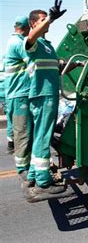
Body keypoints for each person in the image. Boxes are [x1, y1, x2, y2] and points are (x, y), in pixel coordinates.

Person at [24, 0, 67, 197]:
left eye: (46, 20)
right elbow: (31, 37)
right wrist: (50, 18)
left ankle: (34, 174)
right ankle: (43, 182)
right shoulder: (32, 42)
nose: (46, 24)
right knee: (43, 135)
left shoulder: (47, 45)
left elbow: (57, 66)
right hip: (42, 95)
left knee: (41, 136)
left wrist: (78, 64)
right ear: (33, 23)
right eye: (42, 21)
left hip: (48, 95)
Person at [4, 16, 32, 181]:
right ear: (27, 27)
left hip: (15, 94)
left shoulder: (11, 41)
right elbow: (34, 63)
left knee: (20, 132)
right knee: (23, 134)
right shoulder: (19, 43)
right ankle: (23, 170)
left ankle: (24, 165)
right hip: (20, 94)